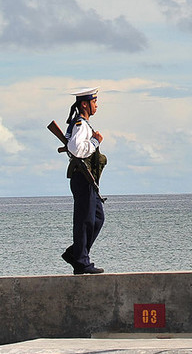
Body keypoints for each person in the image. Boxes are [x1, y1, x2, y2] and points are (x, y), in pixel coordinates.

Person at [61, 88, 107, 275]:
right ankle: (81, 261)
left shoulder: (83, 124)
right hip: (82, 178)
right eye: (94, 101)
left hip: (88, 180)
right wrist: (95, 142)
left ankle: (76, 253)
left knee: (97, 217)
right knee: (85, 221)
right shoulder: (80, 124)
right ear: (85, 104)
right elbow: (75, 149)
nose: (97, 105)